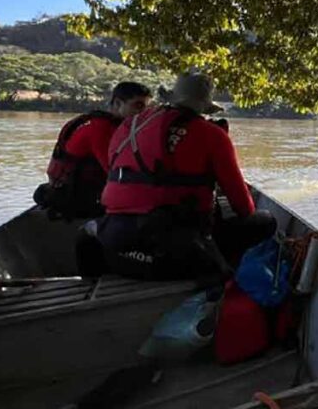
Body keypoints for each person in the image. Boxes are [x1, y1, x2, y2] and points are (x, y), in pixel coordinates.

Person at [82, 70, 276, 280]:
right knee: (264, 221)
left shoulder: (128, 127)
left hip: (116, 250)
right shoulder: (212, 134)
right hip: (174, 258)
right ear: (204, 106)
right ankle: (224, 274)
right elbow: (244, 208)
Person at [34, 82, 152, 220]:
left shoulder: (105, 123)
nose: (144, 113)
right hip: (75, 198)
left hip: (75, 188)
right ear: (118, 103)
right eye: (138, 106)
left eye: (147, 107)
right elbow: (114, 174)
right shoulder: (101, 129)